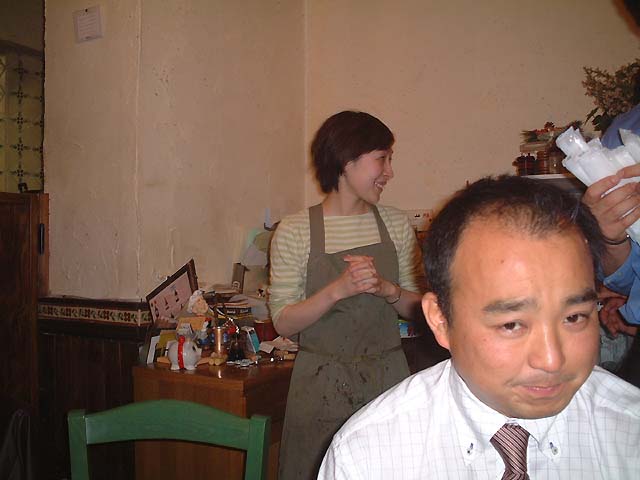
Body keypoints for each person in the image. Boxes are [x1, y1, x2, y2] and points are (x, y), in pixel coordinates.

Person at [318, 175, 640, 479]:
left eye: (574, 317)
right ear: (440, 320)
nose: (552, 360)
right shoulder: (369, 454)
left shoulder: (629, 430)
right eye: (512, 324)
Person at [268, 110, 425, 479]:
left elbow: (420, 309)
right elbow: (283, 322)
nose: (389, 172)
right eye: (382, 159)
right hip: (319, 384)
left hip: (386, 382)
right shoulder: (295, 230)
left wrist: (388, 289)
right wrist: (336, 291)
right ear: (346, 159)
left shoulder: (395, 224)